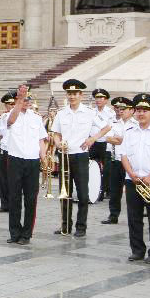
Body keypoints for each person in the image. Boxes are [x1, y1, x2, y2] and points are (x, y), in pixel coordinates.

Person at [50, 79, 110, 237]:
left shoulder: (90, 112)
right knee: (65, 193)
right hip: (65, 155)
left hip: (81, 155)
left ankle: (81, 227)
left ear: (81, 95)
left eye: (75, 93)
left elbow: (107, 126)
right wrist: (58, 143)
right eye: (69, 94)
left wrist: (92, 139)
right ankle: (66, 225)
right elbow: (56, 133)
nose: (72, 96)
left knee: (83, 194)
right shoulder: (61, 113)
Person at [120, 94, 150, 263]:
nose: (141, 114)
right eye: (138, 110)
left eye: (145, 111)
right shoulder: (129, 132)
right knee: (134, 218)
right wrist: (131, 173)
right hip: (133, 179)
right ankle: (137, 250)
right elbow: (124, 155)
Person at [4, 85, 47, 244]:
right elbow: (11, 121)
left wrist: (44, 158)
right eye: (23, 99)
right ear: (17, 100)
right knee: (14, 197)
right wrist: (19, 99)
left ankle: (26, 234)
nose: (26, 102)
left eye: (28, 99)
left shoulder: (36, 118)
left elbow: (40, 140)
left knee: (31, 199)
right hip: (15, 159)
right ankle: (14, 232)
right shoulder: (9, 114)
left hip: (32, 161)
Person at [102, 97, 134, 224]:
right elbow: (106, 137)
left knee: (131, 190)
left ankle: (133, 214)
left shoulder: (136, 124)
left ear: (132, 110)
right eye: (119, 109)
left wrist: (118, 139)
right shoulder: (114, 123)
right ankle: (113, 215)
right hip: (116, 159)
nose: (120, 111)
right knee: (115, 189)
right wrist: (115, 139)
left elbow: (123, 140)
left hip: (130, 161)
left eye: (124, 109)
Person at [90, 88, 114, 201]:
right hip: (93, 142)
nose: (98, 100)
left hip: (105, 142)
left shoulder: (110, 113)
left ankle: (106, 189)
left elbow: (110, 127)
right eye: (97, 97)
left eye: (101, 98)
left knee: (106, 169)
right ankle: (94, 189)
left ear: (106, 100)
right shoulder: (91, 111)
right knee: (92, 166)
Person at [0, 91, 16, 213]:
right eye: (8, 104)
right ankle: (4, 203)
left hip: (15, 150)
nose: (11, 106)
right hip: (5, 148)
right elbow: (1, 132)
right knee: (3, 178)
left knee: (14, 178)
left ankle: (14, 203)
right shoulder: (3, 117)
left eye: (13, 104)